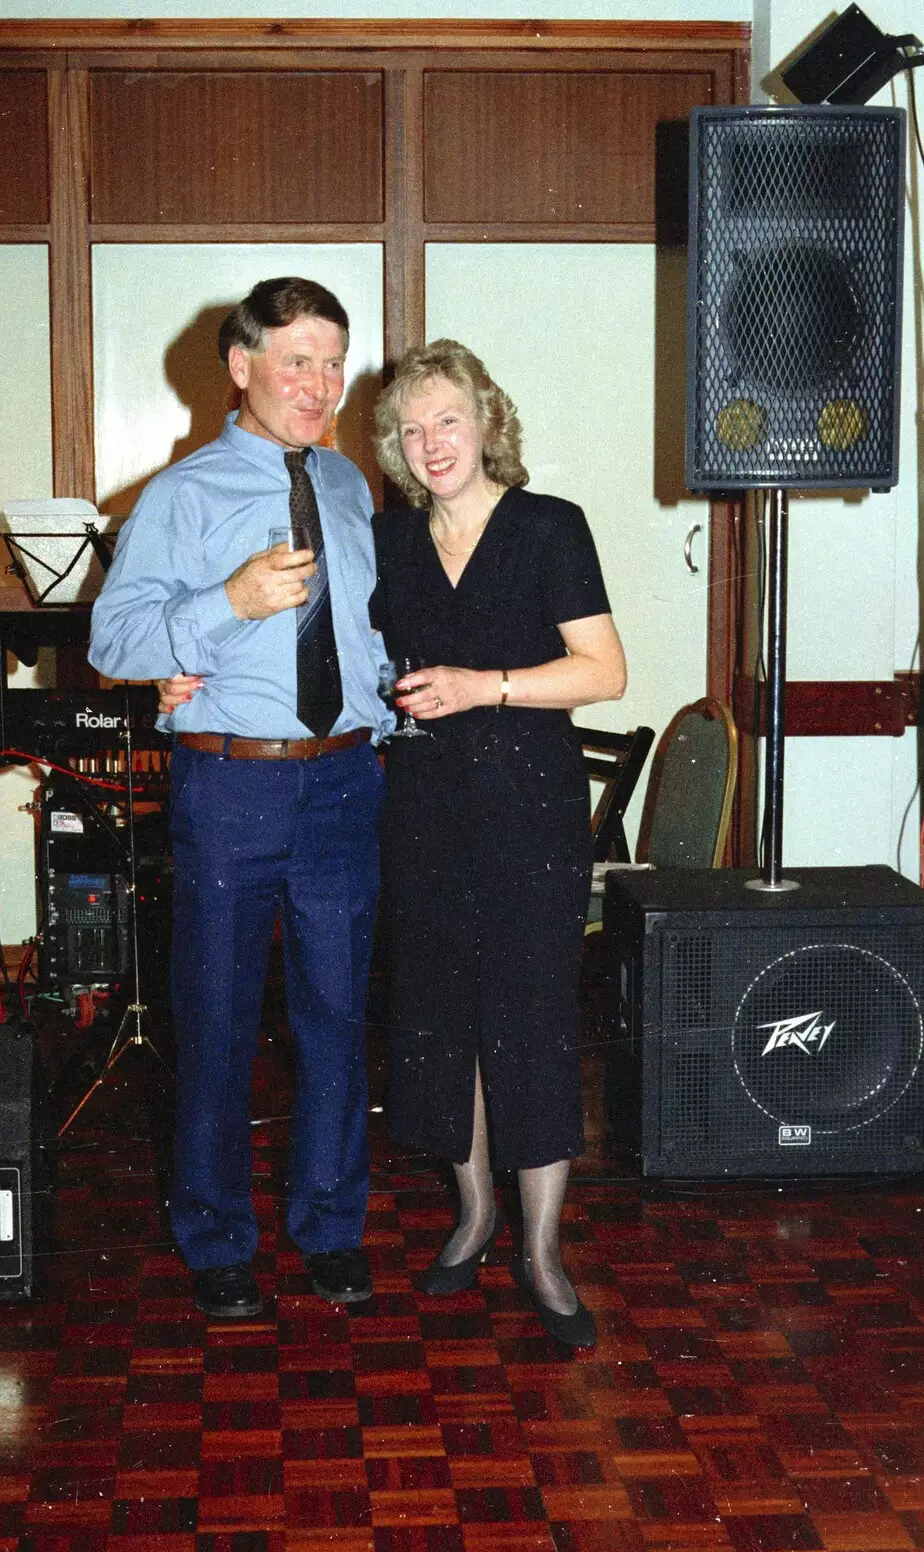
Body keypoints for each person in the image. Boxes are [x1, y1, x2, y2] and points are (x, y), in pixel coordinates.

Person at [89, 277, 390, 1320]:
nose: (319, 384)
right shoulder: (183, 493)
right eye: (296, 359)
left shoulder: (352, 485)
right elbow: (113, 640)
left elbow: (366, 636)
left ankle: (331, 1227)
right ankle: (216, 1237)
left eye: (332, 361)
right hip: (231, 785)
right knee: (215, 1019)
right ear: (241, 365)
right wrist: (228, 602)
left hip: (347, 781)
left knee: (340, 1017)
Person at [370, 339, 626, 1349]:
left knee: (529, 1017)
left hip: (528, 802)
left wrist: (484, 686)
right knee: (442, 1014)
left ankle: (543, 1248)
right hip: (426, 806)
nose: (430, 441)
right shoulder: (391, 544)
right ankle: (474, 1215)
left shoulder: (547, 528)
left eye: (446, 418)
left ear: (486, 420)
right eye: (409, 427)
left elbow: (602, 671)